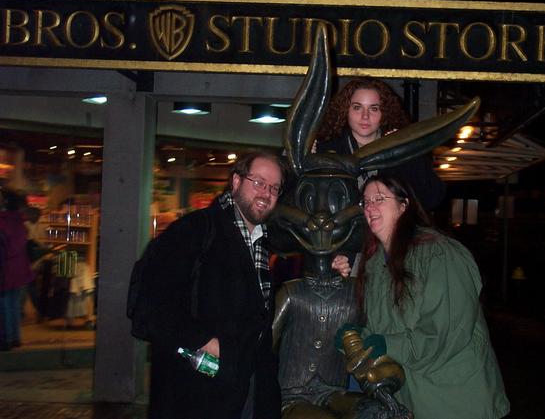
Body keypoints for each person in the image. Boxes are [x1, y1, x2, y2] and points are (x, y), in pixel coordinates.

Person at [349, 176, 510, 419]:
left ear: (404, 205)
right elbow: (383, 330)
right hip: (412, 398)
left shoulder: (439, 253)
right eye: (366, 202)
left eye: (379, 199)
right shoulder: (375, 265)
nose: (370, 207)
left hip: (454, 397)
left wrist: (387, 345)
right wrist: (356, 339)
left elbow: (445, 332)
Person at [142, 152, 285, 419]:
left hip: (246, 386)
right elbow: (151, 299)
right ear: (236, 181)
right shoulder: (194, 230)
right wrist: (204, 341)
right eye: (258, 182)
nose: (266, 193)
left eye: (274, 188)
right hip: (197, 391)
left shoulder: (263, 241)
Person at [315, 77, 445, 211]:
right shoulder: (325, 150)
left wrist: (409, 150)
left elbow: (432, 197)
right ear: (345, 110)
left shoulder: (398, 148)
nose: (365, 116)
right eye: (357, 107)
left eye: (374, 108)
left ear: (385, 112)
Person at [0, 188, 35, 351]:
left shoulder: (3, 222)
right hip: (20, 269)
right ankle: (15, 337)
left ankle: (6, 339)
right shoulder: (19, 222)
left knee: (4, 304)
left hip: (6, 269)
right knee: (13, 303)